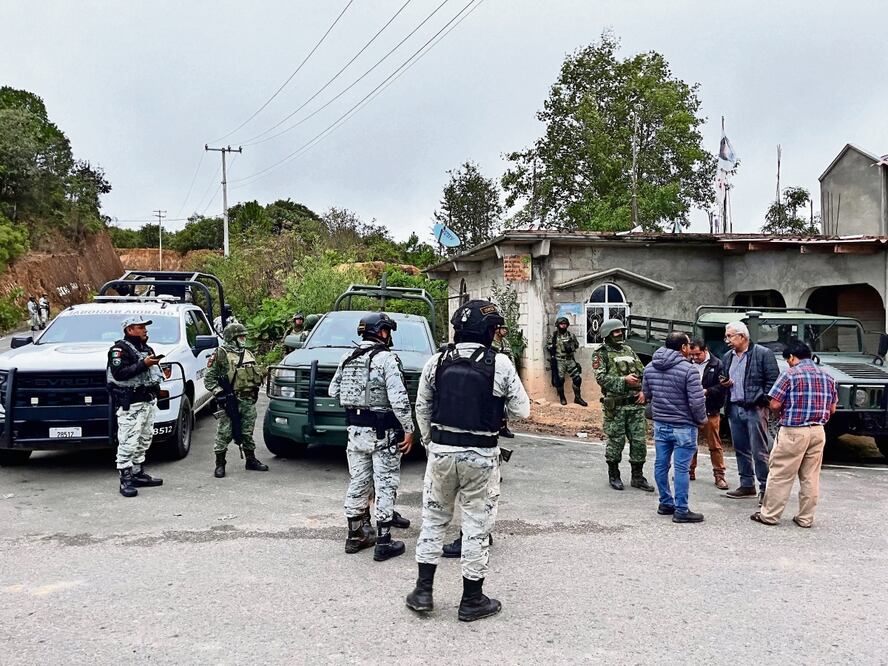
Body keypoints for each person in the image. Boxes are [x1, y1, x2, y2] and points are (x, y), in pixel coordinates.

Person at [406, 300, 530, 622]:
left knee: (433, 521)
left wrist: (431, 442)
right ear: (488, 332)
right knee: (476, 525)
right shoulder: (500, 364)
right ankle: (472, 600)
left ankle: (422, 591)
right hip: (481, 456)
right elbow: (522, 410)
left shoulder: (436, 361)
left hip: (441, 453)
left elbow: (422, 406)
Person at [328, 313, 415, 562]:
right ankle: (384, 541)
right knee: (385, 482)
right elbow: (399, 400)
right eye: (389, 331)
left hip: (355, 433)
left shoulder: (348, 357)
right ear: (383, 332)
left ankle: (355, 536)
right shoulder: (387, 359)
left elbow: (333, 390)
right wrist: (409, 429)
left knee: (358, 481)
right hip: (383, 433)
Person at [751, 341, 837, 527]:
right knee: (810, 477)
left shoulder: (790, 375)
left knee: (781, 474)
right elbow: (832, 408)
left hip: (793, 431)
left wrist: (780, 414)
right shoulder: (827, 377)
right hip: (818, 430)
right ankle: (805, 518)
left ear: (792, 357)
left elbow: (774, 404)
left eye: (788, 359)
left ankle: (770, 515)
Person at [643, 332, 708, 522]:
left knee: (661, 465)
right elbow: (696, 402)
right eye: (688, 345)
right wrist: (702, 420)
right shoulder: (689, 370)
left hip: (661, 424)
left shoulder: (650, 367)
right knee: (681, 469)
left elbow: (646, 394)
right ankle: (681, 510)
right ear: (683, 348)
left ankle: (665, 503)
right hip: (683, 426)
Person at [720, 321, 780, 503]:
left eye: (730, 336)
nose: (727, 340)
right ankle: (747, 484)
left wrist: (762, 401)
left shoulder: (763, 354)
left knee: (759, 451)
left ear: (742, 336)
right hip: (734, 407)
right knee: (740, 449)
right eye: (726, 336)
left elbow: (773, 381)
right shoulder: (727, 356)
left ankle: (765, 489)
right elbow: (723, 376)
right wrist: (724, 382)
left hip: (755, 409)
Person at [106, 316, 165, 497]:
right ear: (130, 330)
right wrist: (143, 364)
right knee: (128, 441)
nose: (145, 330)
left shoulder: (146, 348)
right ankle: (125, 478)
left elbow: (150, 373)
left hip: (147, 400)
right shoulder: (119, 350)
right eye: (140, 327)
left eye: (145, 327)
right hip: (130, 403)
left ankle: (138, 473)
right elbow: (120, 374)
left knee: (144, 438)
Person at [593, 319, 654, 492]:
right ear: (607, 334)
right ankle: (614, 475)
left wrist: (644, 391)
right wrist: (623, 381)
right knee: (616, 442)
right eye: (616, 332)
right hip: (616, 407)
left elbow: (643, 373)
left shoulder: (629, 350)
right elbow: (601, 378)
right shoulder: (601, 353)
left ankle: (637, 477)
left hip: (635, 405)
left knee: (639, 442)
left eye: (621, 331)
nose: (620, 334)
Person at [204, 322, 269, 477]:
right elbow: (209, 379)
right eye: (240, 336)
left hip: (248, 400)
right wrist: (220, 394)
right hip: (230, 401)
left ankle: (250, 460)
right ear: (231, 338)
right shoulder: (220, 353)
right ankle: (220, 464)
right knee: (224, 433)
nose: (243, 338)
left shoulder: (248, 353)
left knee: (247, 432)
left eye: (244, 336)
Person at [688, 339, 729, 489]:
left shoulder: (717, 364)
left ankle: (719, 475)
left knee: (714, 444)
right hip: (691, 410)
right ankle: (689, 471)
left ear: (705, 350)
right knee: (690, 443)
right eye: (692, 355)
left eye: (697, 354)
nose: (695, 357)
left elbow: (723, 387)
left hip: (710, 409)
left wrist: (707, 391)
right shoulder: (688, 363)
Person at [546, 316, 588, 406]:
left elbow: (576, 345)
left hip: (570, 360)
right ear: (558, 325)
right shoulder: (553, 336)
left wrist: (571, 346)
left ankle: (577, 398)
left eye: (565, 324)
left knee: (577, 379)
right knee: (560, 380)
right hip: (559, 360)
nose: (563, 326)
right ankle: (562, 397)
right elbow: (548, 347)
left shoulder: (571, 335)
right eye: (561, 324)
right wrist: (555, 348)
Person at [491, 323, 515, 438]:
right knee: (493, 402)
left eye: (506, 328)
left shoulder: (506, 343)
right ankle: (492, 426)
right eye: (503, 328)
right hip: (493, 376)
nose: (505, 330)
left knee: (504, 403)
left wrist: (514, 374)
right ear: (497, 330)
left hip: (505, 377)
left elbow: (511, 358)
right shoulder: (489, 342)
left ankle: (503, 427)